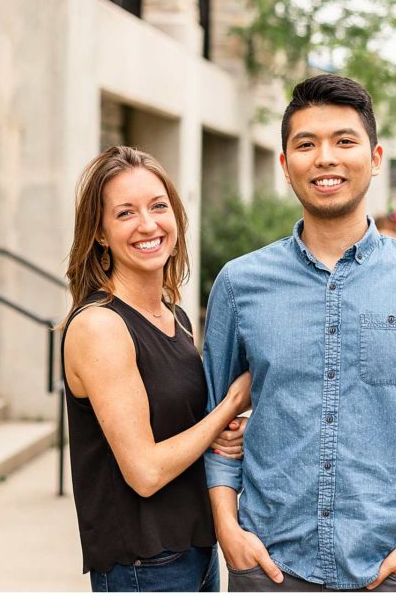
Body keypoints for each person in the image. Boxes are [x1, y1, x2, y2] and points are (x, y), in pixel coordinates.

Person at [202, 74, 396, 592]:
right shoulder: (240, 284)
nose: (325, 158)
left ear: (376, 157)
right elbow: (211, 418)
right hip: (269, 568)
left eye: (345, 141)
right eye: (306, 144)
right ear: (285, 165)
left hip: (390, 571)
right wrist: (227, 529)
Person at [61, 146, 252, 592]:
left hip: (193, 550)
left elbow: (180, 428)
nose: (148, 225)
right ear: (101, 234)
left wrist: (219, 430)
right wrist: (228, 408)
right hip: (143, 565)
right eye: (125, 213)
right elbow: (145, 472)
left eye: (158, 206)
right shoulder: (101, 327)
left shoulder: (173, 315)